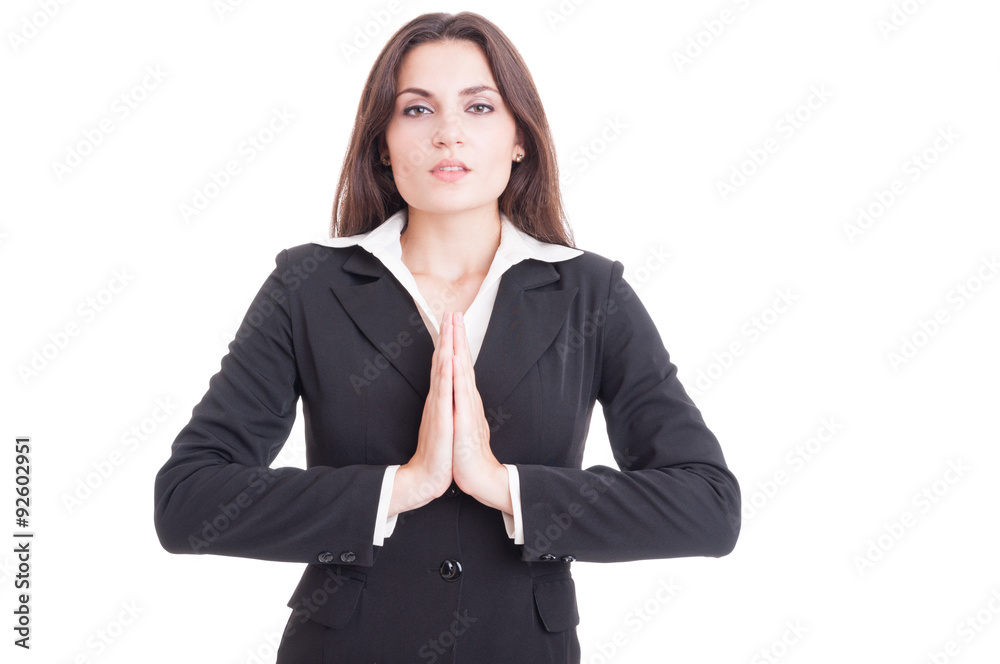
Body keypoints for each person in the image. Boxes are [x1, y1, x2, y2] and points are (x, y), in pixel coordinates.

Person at [153, 11, 740, 663]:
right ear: (382, 143)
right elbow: (188, 500)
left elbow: (708, 506)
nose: (448, 133)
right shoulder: (308, 285)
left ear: (520, 138)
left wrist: (503, 485)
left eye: (479, 107)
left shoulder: (591, 292)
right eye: (417, 109)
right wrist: (399, 487)